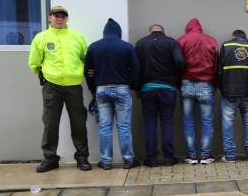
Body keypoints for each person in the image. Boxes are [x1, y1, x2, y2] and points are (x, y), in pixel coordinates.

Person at [28, 6, 91, 173]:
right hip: (52, 86)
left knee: (78, 122)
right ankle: (50, 159)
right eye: (56, 16)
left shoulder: (77, 37)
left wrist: (81, 72)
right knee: (50, 123)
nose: (60, 19)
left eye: (63, 16)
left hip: (74, 86)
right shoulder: (41, 38)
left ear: (67, 19)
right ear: (50, 18)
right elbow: (34, 62)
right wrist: (45, 76)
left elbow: (86, 58)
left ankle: (82, 157)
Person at [84, 18, 140, 170]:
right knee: (124, 127)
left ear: (104, 33)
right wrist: (132, 85)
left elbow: (87, 71)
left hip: (101, 90)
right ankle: (128, 160)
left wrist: (93, 90)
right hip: (122, 89)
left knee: (104, 127)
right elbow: (136, 70)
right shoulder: (127, 47)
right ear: (118, 33)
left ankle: (106, 161)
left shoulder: (94, 47)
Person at [135, 24, 185, 167]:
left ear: (149, 31)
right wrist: (176, 78)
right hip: (168, 88)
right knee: (167, 122)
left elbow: (136, 67)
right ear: (163, 31)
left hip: (147, 88)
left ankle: (151, 159)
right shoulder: (171, 42)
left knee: (150, 123)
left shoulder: (141, 43)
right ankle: (169, 158)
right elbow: (180, 61)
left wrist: (137, 87)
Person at [177, 18, 219, 165]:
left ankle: (192, 156)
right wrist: (214, 83)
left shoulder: (181, 41)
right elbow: (216, 65)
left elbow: (177, 63)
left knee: (188, 121)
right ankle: (206, 155)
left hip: (186, 84)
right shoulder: (211, 41)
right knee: (207, 122)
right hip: (205, 84)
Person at [217, 29, 248, 163]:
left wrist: (222, 88)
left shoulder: (226, 46)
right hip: (247, 92)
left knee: (228, 124)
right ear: (245, 36)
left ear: (233, 36)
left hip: (229, 92)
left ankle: (230, 156)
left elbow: (219, 70)